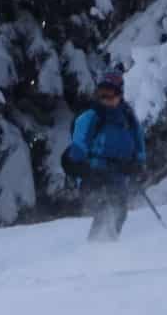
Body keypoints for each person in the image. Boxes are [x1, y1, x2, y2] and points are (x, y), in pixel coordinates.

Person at [63, 68, 147, 242]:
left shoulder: (128, 118)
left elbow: (139, 146)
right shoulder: (90, 117)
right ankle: (94, 249)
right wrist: (75, 163)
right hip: (93, 174)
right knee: (105, 207)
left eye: (110, 93)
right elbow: (79, 145)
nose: (105, 98)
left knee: (120, 211)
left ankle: (108, 248)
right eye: (101, 93)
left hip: (118, 175)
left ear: (120, 94)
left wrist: (137, 165)